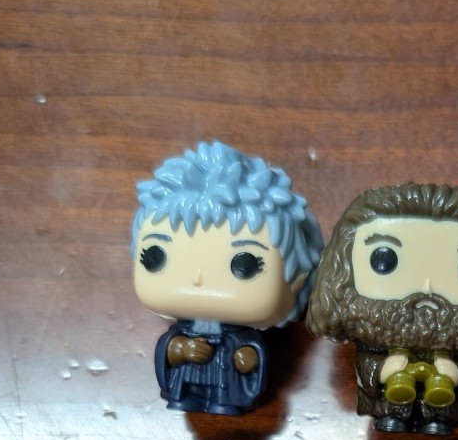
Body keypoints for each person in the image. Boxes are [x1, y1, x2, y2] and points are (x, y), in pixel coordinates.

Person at [306, 180, 458, 433]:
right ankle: (391, 415)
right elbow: (366, 364)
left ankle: (439, 418)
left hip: (448, 392)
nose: (427, 289)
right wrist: (383, 370)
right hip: (387, 388)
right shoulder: (372, 328)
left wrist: (454, 373)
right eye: (384, 259)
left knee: (447, 398)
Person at [133, 140, 323, 415]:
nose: (198, 278)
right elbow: (168, 349)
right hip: (187, 375)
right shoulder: (183, 329)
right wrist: (180, 349)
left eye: (245, 264)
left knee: (228, 395)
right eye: (155, 256)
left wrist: (248, 358)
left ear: (296, 278)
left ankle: (226, 404)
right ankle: (185, 397)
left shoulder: (246, 328)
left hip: (227, 375)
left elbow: (252, 352)